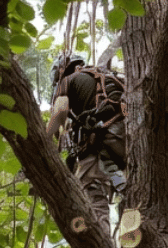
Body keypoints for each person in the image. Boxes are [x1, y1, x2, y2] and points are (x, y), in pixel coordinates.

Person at [48, 54, 127, 238]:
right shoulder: (107, 78)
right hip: (125, 143)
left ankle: (102, 242)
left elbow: (60, 112)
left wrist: (43, 140)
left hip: (101, 141)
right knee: (125, 189)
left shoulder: (67, 81)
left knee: (91, 191)